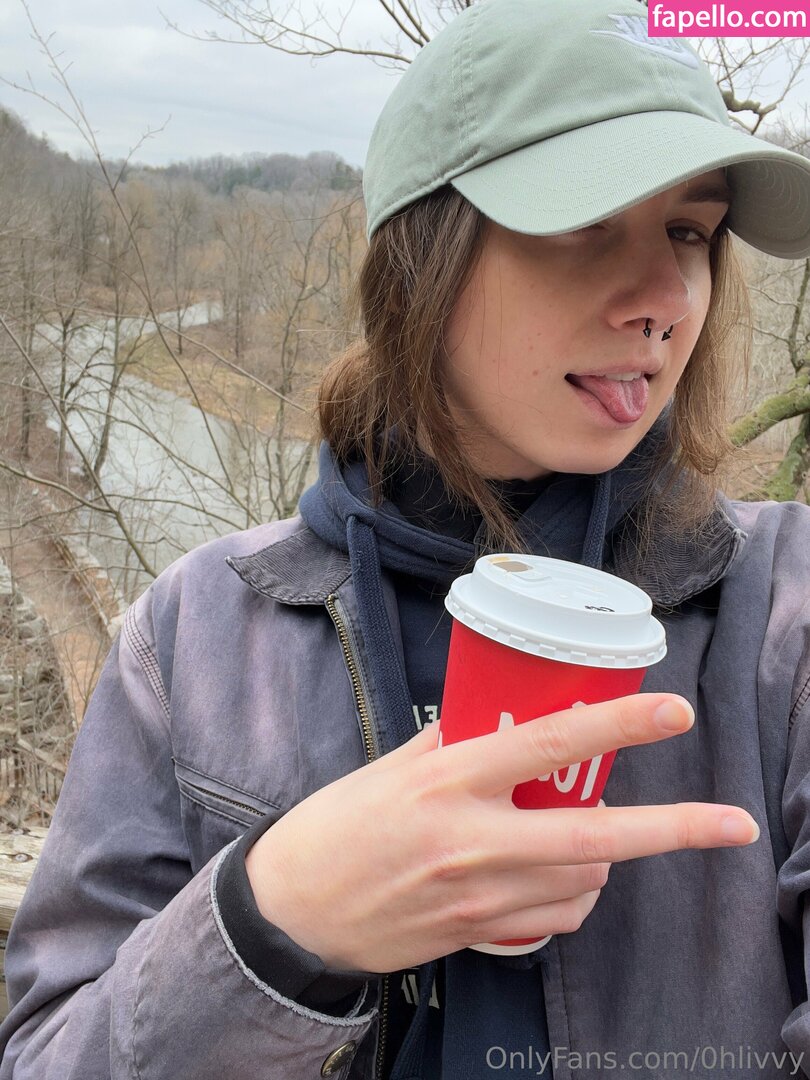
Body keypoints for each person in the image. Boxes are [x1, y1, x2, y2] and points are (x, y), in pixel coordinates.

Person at [3, 0, 810, 1076]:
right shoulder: (195, 639)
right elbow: (50, 1054)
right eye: (586, 221)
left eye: (690, 232)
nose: (665, 299)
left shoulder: (785, 615)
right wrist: (272, 921)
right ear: (422, 263)